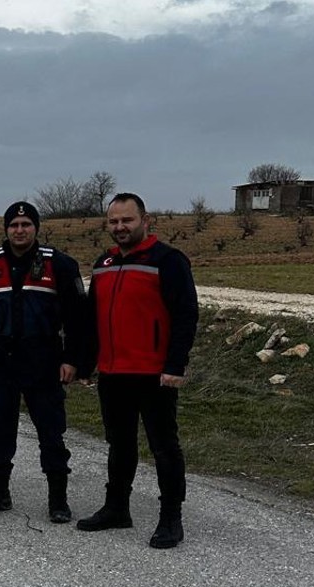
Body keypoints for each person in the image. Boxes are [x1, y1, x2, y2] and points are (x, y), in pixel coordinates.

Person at [77, 192, 198, 549]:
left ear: (145, 221)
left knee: (164, 447)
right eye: (113, 221)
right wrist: (86, 363)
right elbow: (92, 319)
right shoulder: (104, 263)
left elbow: (186, 315)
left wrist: (175, 364)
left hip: (154, 373)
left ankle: (171, 517)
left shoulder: (168, 260)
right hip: (113, 372)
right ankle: (117, 508)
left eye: (127, 220)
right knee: (119, 444)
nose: (120, 227)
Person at [0, 201, 91, 523]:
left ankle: (58, 500)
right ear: (6, 229)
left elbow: (78, 318)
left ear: (36, 228)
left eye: (26, 224)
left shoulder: (59, 264)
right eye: (14, 225)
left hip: (43, 363)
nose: (19, 230)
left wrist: (73, 360)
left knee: (51, 434)